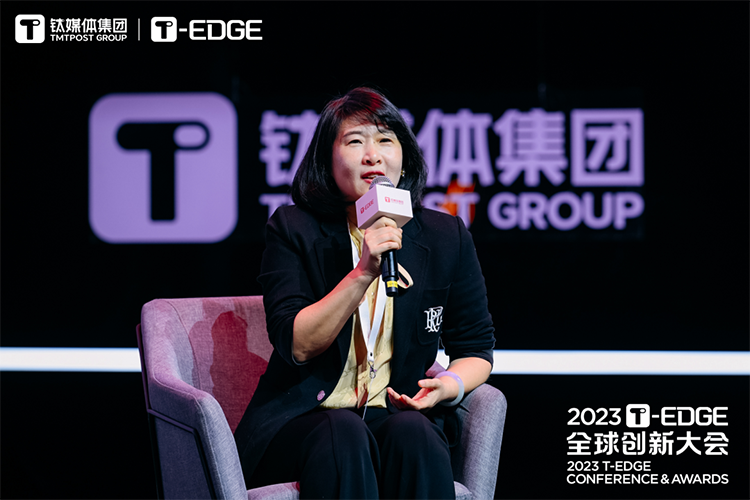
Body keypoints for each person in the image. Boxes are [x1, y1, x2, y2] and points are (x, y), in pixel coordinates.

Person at [234, 87, 495, 500]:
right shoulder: (293, 229)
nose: (373, 156)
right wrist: (362, 273)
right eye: (355, 141)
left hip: (391, 412)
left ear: (404, 156)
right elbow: (298, 345)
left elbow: (476, 349)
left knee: (416, 434)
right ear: (328, 159)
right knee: (343, 432)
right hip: (305, 419)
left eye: (386, 140)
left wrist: (448, 386)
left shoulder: (445, 236)